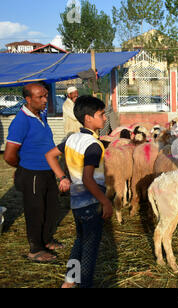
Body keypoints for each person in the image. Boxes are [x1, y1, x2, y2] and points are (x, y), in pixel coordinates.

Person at [45, 95, 113, 288]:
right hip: (91, 203)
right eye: (101, 114)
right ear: (88, 118)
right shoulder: (94, 146)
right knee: (90, 250)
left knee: (80, 241)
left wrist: (62, 177)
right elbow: (88, 178)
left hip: (76, 202)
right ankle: (85, 284)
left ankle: (69, 280)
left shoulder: (72, 138)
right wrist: (106, 201)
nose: (105, 118)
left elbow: (50, 155)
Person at [4, 83, 61, 263]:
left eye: (46, 95)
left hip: (48, 171)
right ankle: (35, 249)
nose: (45, 100)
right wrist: (23, 168)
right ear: (28, 100)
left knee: (51, 208)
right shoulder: (20, 122)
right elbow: (9, 155)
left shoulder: (41, 115)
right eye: (40, 97)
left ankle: (46, 240)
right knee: (35, 211)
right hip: (33, 173)